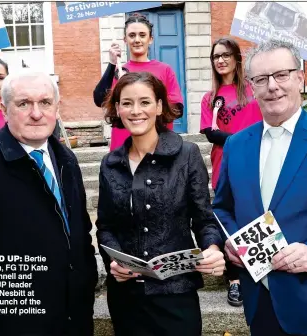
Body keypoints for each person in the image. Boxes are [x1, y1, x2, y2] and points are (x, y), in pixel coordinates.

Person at [0, 70, 98, 335]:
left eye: (45, 103)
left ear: (56, 108)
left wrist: (84, 284)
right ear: (4, 110)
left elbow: (80, 236)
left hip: (72, 318)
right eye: (24, 104)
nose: (37, 113)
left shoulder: (66, 160)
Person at [213, 39, 307, 336]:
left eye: (281, 75)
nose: (272, 86)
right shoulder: (236, 144)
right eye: (261, 79)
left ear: (300, 78)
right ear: (251, 86)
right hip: (259, 306)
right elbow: (222, 208)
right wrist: (231, 241)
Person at [96, 71, 225, 336]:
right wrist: (115, 259)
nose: (136, 111)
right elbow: (105, 227)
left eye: (144, 102)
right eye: (127, 103)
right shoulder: (110, 165)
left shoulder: (186, 155)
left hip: (176, 294)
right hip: (126, 297)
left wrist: (211, 247)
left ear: (159, 106)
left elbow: (204, 218)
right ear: (117, 109)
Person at [200, 37, 262, 307]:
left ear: (237, 58)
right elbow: (209, 133)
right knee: (227, 219)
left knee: (254, 215)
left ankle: (258, 270)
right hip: (223, 165)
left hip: (254, 162)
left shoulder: (253, 91)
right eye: (216, 56)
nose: (221, 60)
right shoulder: (210, 97)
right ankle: (234, 280)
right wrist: (237, 139)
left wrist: (230, 137)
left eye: (225, 55)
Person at [93, 13, 184, 151]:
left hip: (157, 147)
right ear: (125, 39)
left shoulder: (165, 70)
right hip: (123, 147)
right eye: (132, 35)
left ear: (151, 39)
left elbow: (177, 109)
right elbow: (99, 99)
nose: (137, 39)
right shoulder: (119, 71)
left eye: (142, 35)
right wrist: (111, 64)